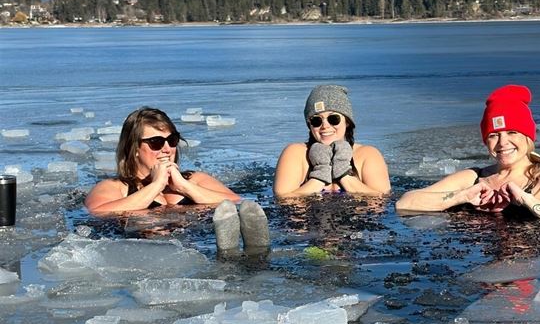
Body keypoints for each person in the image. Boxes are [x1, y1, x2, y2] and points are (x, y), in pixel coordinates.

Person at [396, 85, 540, 224]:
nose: (503, 143)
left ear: (528, 137)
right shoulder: (473, 178)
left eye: (512, 132)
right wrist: (462, 196)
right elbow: (405, 203)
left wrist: (528, 201)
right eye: (493, 135)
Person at [85, 107, 269, 250]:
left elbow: (240, 203)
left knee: (230, 215)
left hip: (198, 238)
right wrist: (156, 186)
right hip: (151, 244)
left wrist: (184, 186)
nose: (167, 149)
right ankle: (228, 252)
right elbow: (98, 212)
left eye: (171, 140)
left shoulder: (195, 179)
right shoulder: (116, 187)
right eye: (156, 142)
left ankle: (243, 247)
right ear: (134, 150)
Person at [273, 85, 391, 197]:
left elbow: (382, 201)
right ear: (310, 125)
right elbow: (283, 200)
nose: (325, 126)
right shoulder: (295, 153)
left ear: (347, 121)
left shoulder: (367, 155)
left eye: (333, 119)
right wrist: (320, 174)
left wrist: (343, 173)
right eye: (316, 121)